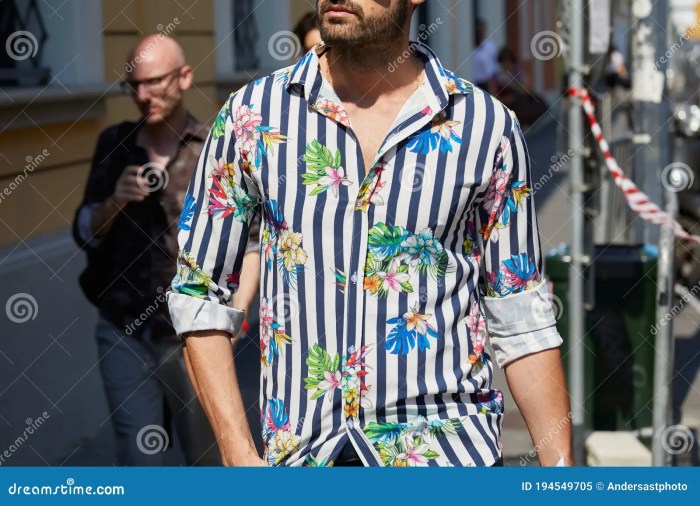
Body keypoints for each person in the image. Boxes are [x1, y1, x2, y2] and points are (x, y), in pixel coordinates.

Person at [168, 0, 573, 467]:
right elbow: (199, 294)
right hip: (304, 458)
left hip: (446, 455)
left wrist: (559, 470)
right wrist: (239, 457)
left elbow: (521, 312)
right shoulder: (252, 116)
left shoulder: (486, 128)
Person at [72, 35, 259, 465]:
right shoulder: (114, 145)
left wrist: (235, 320)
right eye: (133, 85)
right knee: (140, 465)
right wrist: (115, 202)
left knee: (207, 458)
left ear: (185, 77)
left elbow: (250, 243)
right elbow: (85, 231)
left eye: (154, 82)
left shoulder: (215, 147)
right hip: (124, 331)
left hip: (195, 336)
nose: (142, 95)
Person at [473, 18, 499, 90]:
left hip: (486, 83)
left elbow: (493, 66)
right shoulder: (470, 46)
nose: (479, 32)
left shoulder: (490, 46)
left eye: (481, 30)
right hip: (472, 82)